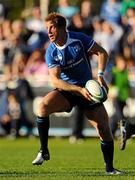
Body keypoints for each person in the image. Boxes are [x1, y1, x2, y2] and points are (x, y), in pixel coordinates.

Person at [32, 12, 122, 175]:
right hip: (68, 90)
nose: (49, 32)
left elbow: (102, 52)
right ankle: (44, 150)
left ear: (61, 27)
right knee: (43, 106)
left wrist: (100, 76)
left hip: (87, 88)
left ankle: (110, 169)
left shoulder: (78, 39)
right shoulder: (51, 51)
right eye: (47, 28)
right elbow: (55, 81)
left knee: (103, 127)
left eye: (51, 27)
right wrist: (77, 89)